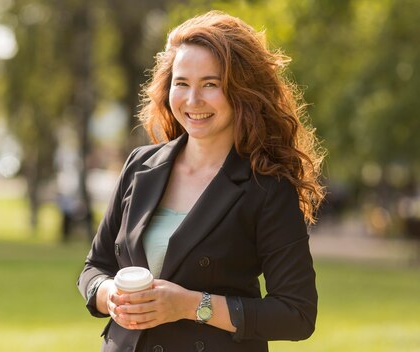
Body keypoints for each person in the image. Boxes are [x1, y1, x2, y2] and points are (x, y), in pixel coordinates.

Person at [77, 10, 325, 352]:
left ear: (241, 91)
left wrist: (191, 305)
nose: (193, 101)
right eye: (182, 83)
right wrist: (110, 296)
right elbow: (95, 268)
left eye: (211, 84)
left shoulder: (267, 187)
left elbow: (296, 313)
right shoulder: (140, 166)